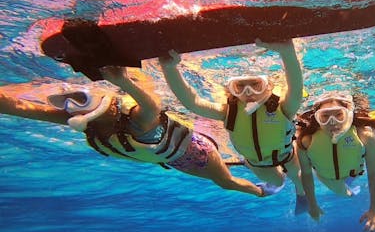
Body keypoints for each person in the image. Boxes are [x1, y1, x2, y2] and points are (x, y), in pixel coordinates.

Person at [0, 20, 273, 198]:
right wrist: (121, 82)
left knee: (225, 182)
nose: (75, 108)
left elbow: (151, 105)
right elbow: (20, 107)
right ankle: (263, 191)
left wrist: (123, 82)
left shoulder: (134, 122)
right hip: (174, 158)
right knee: (225, 182)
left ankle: (261, 191)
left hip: (199, 153)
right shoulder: (92, 122)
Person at [158, 39, 307, 213]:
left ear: (268, 87)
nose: (248, 92)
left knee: (298, 178)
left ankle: (301, 195)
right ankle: (276, 185)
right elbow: (193, 103)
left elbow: (296, 90)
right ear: (231, 90)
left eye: (256, 85)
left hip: (287, 154)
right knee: (278, 181)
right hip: (258, 163)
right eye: (240, 87)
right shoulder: (229, 111)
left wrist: (287, 52)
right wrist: (170, 69)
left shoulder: (283, 107)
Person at [295, 90, 375, 232]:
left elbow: (373, 174)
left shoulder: (365, 136)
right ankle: (302, 196)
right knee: (345, 194)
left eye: (339, 115)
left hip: (352, 172)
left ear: (349, 114)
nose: (333, 123)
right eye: (324, 116)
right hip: (326, 176)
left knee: (344, 185)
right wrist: (312, 204)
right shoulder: (307, 141)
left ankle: (346, 184)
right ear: (317, 118)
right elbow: (306, 174)